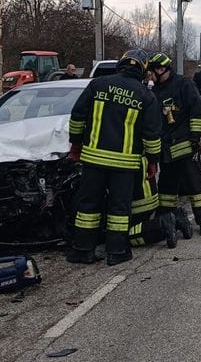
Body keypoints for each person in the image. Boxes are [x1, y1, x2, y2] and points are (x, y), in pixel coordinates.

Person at [66, 49, 162, 266]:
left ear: (121, 64)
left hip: (93, 160)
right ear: (143, 70)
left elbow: (77, 117)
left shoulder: (98, 85)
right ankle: (117, 252)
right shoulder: (145, 95)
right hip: (124, 164)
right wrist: (153, 161)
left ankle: (83, 250)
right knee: (119, 208)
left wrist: (75, 145)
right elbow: (151, 134)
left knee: (88, 205)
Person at [147, 52, 201, 240]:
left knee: (195, 183)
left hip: (186, 144)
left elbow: (197, 111)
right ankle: (165, 220)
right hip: (166, 148)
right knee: (167, 186)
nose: (151, 76)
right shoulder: (154, 92)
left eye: (152, 72)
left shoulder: (184, 85)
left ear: (162, 69)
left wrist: (195, 138)